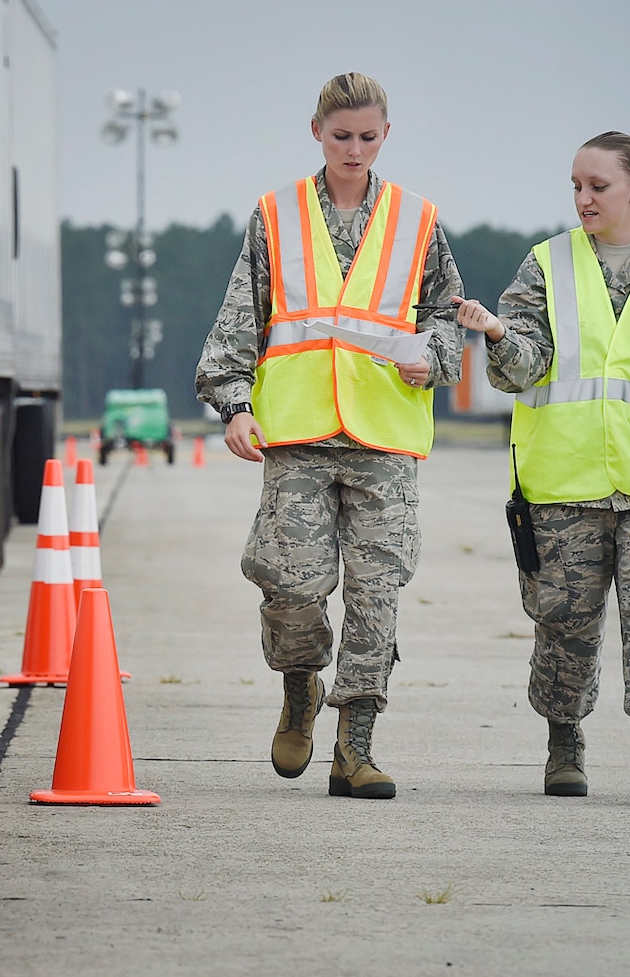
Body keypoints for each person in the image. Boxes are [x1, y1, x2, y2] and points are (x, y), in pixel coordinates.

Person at [196, 72, 464, 799]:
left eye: (367, 137)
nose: (354, 148)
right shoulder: (275, 216)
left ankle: (356, 747)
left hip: (383, 435)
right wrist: (234, 404)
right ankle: (299, 686)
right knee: (290, 585)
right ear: (316, 131)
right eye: (341, 135)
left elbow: (447, 317)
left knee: (377, 596)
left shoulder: (419, 221)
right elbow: (239, 319)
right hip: (298, 433)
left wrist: (431, 357)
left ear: (385, 136)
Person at [454, 132, 630, 805]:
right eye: (576, 185)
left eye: (597, 187)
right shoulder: (545, 266)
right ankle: (564, 742)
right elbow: (524, 368)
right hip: (564, 481)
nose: (583, 198)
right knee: (566, 626)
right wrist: (496, 335)